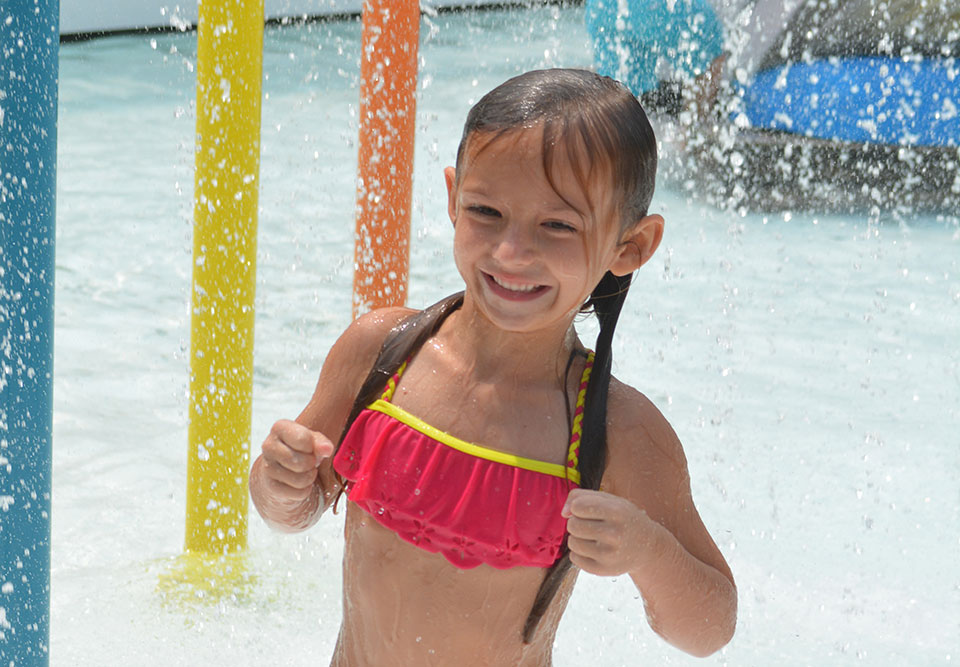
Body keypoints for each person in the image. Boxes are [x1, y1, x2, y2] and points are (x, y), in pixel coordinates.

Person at [249, 68, 736, 666]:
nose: (511, 253)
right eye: (486, 211)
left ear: (629, 247)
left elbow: (709, 629)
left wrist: (647, 550)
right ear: (453, 199)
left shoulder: (617, 433)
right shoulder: (381, 354)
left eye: (557, 225)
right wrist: (280, 481)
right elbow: (294, 511)